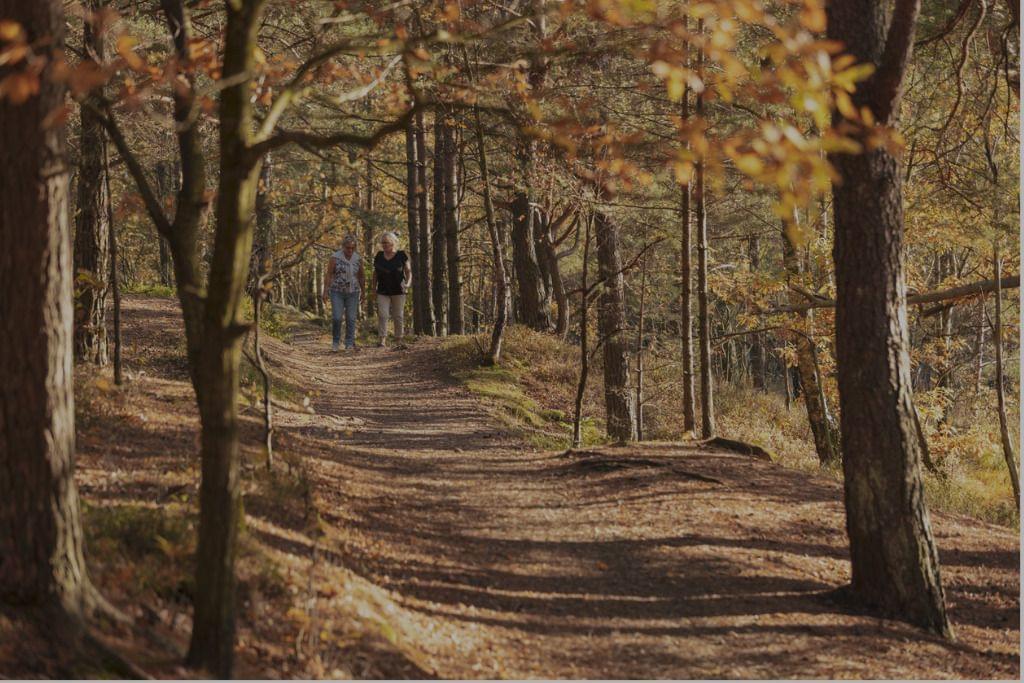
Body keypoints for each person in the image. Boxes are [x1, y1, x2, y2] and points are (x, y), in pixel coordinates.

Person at [322, 234, 364, 352]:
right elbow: (329, 274)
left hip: (353, 292)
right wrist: (325, 291)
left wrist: (364, 293)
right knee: (337, 317)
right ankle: (335, 342)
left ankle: (349, 343)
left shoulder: (358, 259)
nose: (349, 250)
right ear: (343, 247)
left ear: (354, 248)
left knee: (351, 318)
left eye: (352, 248)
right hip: (337, 291)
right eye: (347, 248)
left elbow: (361, 276)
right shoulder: (335, 258)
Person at [372, 231, 412, 348]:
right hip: (382, 290)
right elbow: (375, 274)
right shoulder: (379, 256)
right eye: (382, 243)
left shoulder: (401, 255)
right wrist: (373, 289)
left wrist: (408, 284)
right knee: (383, 314)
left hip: (399, 290)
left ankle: (399, 340)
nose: (384, 245)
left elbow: (408, 272)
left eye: (386, 243)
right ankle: (382, 340)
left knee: (398, 315)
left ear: (393, 243)